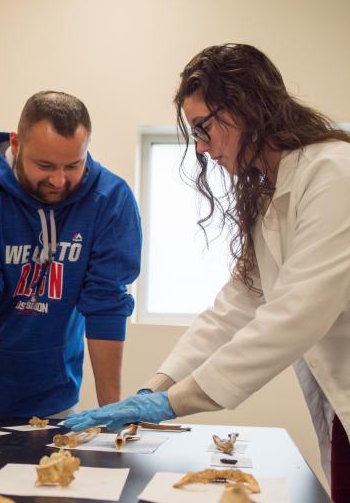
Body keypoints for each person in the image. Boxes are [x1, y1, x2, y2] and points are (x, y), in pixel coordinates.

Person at [65, 44, 350, 502]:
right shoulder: (270, 193)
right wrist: (151, 389)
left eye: (204, 127)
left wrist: (172, 402)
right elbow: (233, 309)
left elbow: (297, 315)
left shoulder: (334, 175)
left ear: (247, 108)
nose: (200, 146)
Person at [0, 90, 142, 429]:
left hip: (53, 390)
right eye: (45, 165)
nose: (59, 180)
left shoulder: (110, 200)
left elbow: (106, 305)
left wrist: (112, 410)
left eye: (73, 165)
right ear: (17, 144)